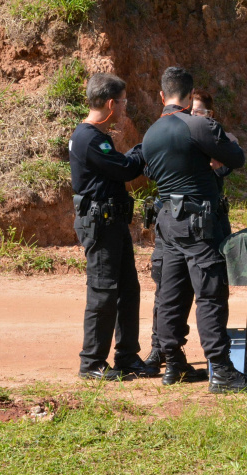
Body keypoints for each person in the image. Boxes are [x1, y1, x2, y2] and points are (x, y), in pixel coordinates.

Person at [142, 67, 247, 393]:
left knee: (171, 293)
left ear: (163, 96)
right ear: (190, 94)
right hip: (198, 223)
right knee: (210, 294)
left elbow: (152, 171)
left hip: (168, 221)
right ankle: (220, 372)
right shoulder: (199, 126)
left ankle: (174, 364)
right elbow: (236, 158)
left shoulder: (151, 133)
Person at [70, 73, 156, 380]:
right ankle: (92, 362)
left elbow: (119, 166)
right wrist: (145, 147)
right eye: (122, 102)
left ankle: (127, 357)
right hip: (100, 224)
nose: (124, 107)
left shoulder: (96, 136)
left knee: (127, 291)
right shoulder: (89, 138)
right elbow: (125, 169)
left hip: (112, 221)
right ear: (110, 103)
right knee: (103, 292)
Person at [144, 89, 232, 372]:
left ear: (210, 116)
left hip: (199, 221)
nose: (192, 118)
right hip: (176, 221)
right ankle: (165, 352)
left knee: (201, 290)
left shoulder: (214, 137)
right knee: (171, 291)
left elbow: (230, 156)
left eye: (199, 114)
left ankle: (175, 360)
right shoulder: (171, 136)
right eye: (189, 113)